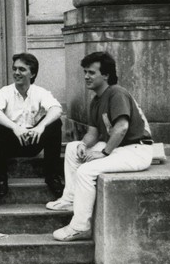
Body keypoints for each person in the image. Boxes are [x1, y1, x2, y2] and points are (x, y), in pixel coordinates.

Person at [47, 51, 154, 241]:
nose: (86, 76)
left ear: (105, 75)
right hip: (119, 147)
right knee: (73, 148)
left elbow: (122, 128)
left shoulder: (116, 93)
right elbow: (93, 133)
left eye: (91, 73)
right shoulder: (96, 100)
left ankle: (81, 227)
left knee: (86, 171)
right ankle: (70, 199)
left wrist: (104, 153)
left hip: (136, 149)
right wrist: (83, 144)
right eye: (85, 72)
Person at [0, 53, 64, 201]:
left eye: (22, 69)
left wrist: (40, 127)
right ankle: (1, 177)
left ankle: (52, 176)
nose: (16, 73)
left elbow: (57, 109)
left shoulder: (41, 92)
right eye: (14, 69)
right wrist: (15, 128)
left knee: (55, 123)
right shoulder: (5, 92)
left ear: (32, 73)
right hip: (10, 144)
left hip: (34, 141)